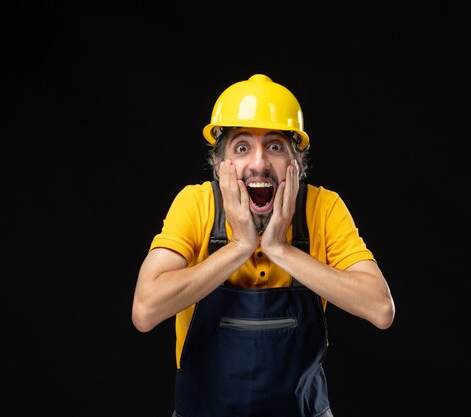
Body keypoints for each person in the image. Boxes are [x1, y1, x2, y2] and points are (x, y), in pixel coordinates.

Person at [132, 73, 395, 417]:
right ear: (219, 164)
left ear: (295, 164)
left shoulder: (323, 208)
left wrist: (281, 250)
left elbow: (381, 308)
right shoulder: (195, 204)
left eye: (274, 147)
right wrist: (239, 245)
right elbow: (145, 310)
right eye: (242, 147)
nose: (259, 164)